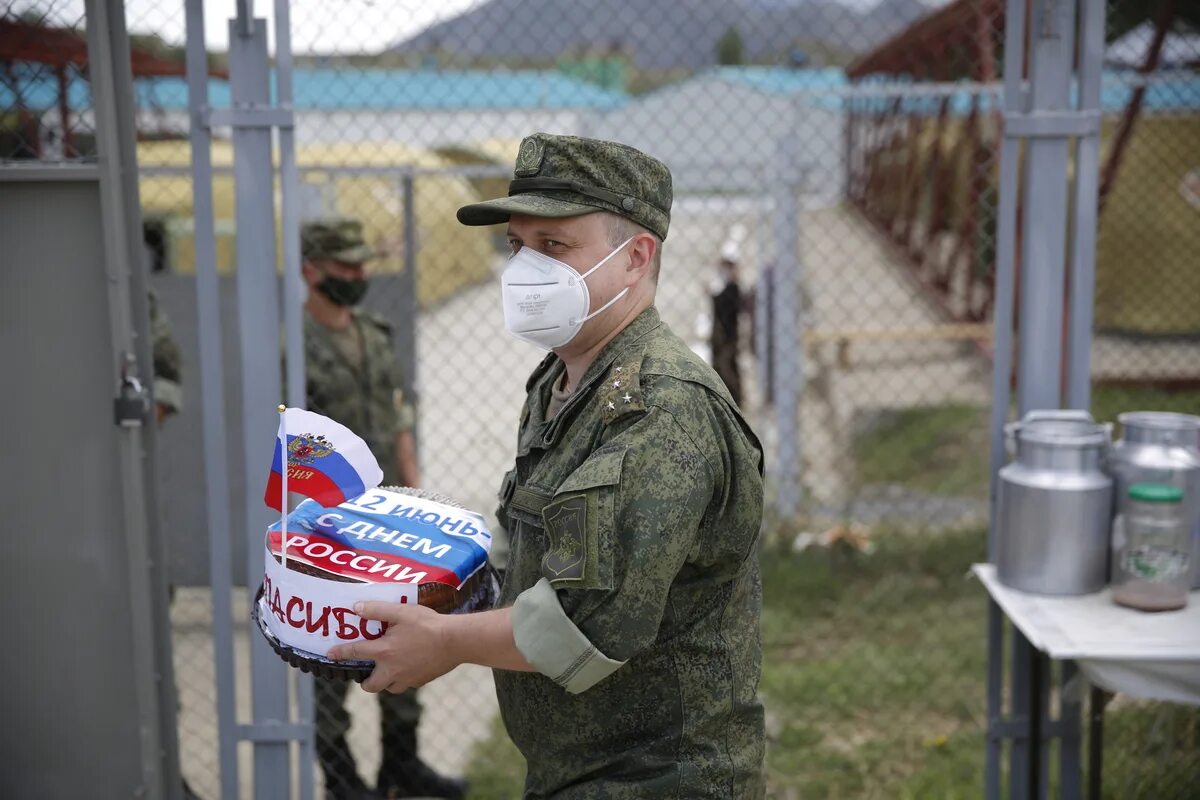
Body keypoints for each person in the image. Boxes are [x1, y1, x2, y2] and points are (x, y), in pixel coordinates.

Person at [328, 134, 767, 798]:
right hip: (581, 769)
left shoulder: (660, 410)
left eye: (555, 247)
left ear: (635, 257)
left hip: (660, 778)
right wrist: (427, 592)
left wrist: (446, 641)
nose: (526, 269)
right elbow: (526, 545)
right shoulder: (560, 382)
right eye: (517, 246)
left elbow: (583, 625)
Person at [299, 218, 466, 800]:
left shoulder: (376, 333)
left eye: (362, 265)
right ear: (311, 271)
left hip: (391, 522)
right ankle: (343, 782)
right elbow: (287, 448)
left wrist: (417, 499)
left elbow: (399, 420)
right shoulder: (290, 346)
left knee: (406, 635)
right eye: (345, 267)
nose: (358, 276)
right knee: (331, 654)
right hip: (328, 530)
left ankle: (402, 764)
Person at [709, 238, 744, 406]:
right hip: (720, 337)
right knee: (721, 367)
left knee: (727, 367)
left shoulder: (733, 288)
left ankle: (734, 400)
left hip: (728, 337)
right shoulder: (724, 286)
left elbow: (727, 305)